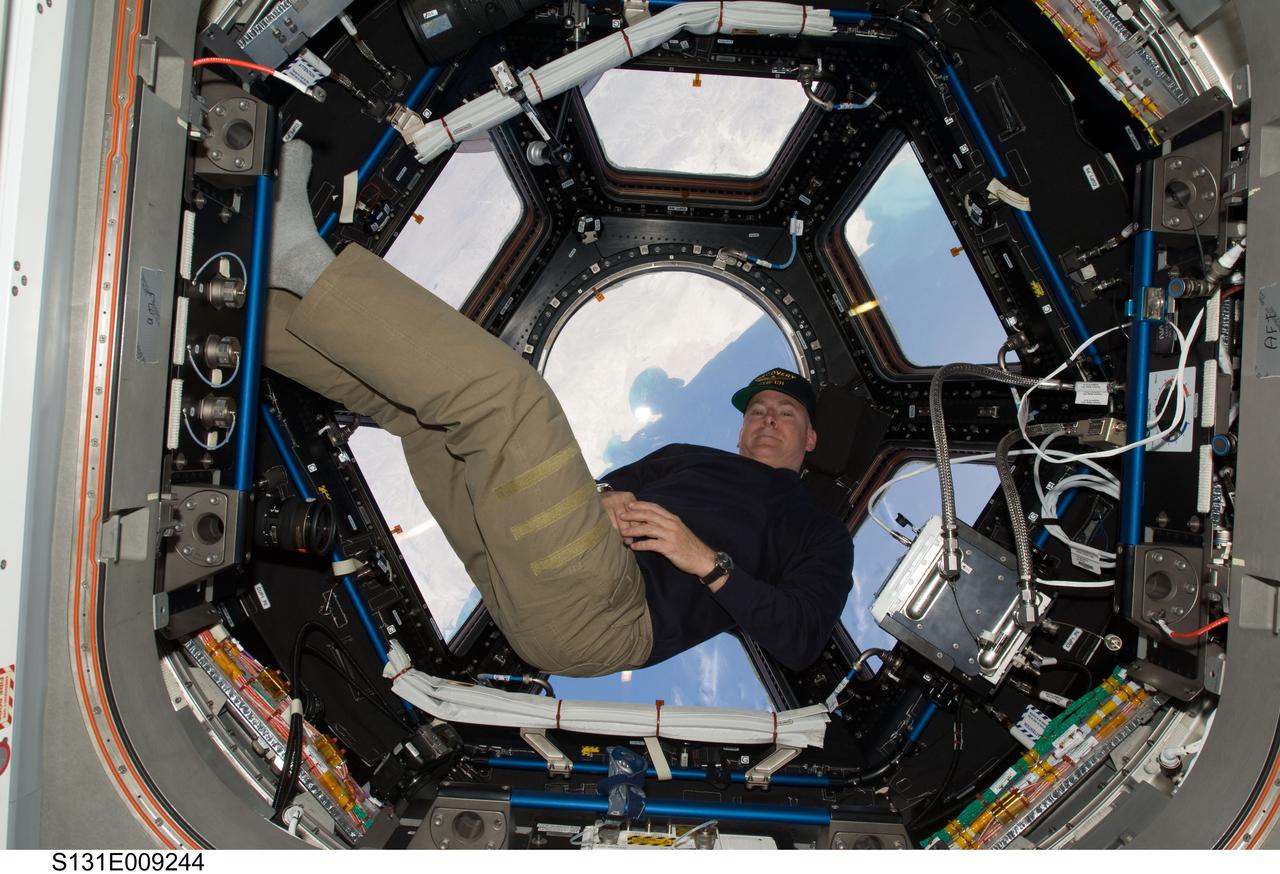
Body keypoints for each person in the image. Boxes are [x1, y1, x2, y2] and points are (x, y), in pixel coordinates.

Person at [264, 140, 852, 677]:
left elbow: (801, 638)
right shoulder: (687, 458)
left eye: (786, 413)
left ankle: (301, 261)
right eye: (759, 410)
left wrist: (705, 560)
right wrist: (608, 497)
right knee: (422, 418)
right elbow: (591, 495)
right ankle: (254, 315)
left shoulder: (817, 531)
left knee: (507, 402)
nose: (768, 418)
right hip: (540, 580)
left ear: (811, 442)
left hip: (611, 616)